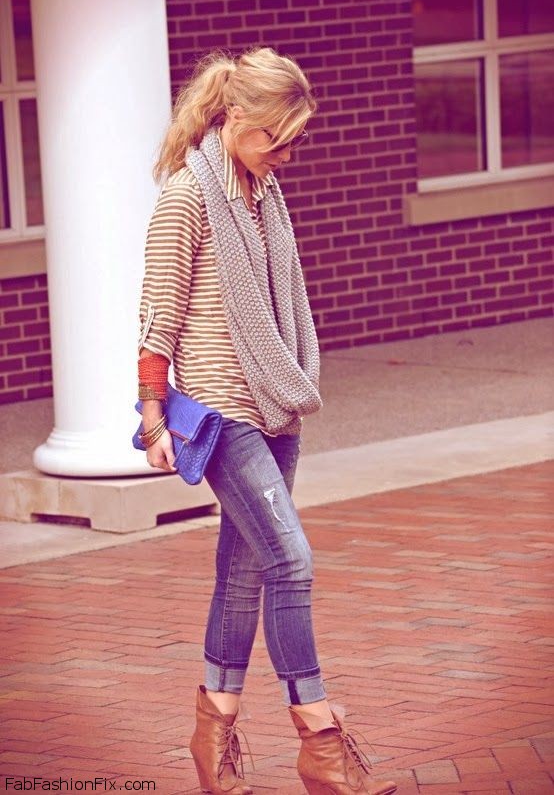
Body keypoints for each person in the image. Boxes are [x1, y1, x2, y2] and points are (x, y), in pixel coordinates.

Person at [137, 47, 397, 795]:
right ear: (233, 117)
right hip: (221, 414)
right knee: (291, 559)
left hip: (275, 408)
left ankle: (212, 734)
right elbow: (157, 315)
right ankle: (319, 737)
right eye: (276, 139)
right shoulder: (187, 197)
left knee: (245, 567)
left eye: (295, 141)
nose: (287, 155)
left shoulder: (263, 193)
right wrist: (153, 416)